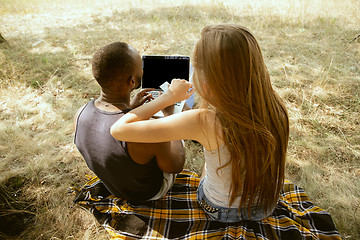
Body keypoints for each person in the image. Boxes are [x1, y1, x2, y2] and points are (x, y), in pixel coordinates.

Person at [110, 24, 289, 222]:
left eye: (196, 67)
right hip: (266, 206)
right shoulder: (275, 107)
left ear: (212, 78)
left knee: (208, 161)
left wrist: (167, 98)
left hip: (219, 209)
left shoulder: (204, 121)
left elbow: (119, 129)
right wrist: (179, 114)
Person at [74, 42, 185, 203]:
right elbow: (176, 166)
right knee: (179, 128)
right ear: (132, 82)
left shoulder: (80, 114)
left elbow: (108, 135)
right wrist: (169, 117)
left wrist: (131, 109)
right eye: (141, 67)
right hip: (147, 193)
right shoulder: (148, 129)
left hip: (115, 185)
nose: (143, 70)